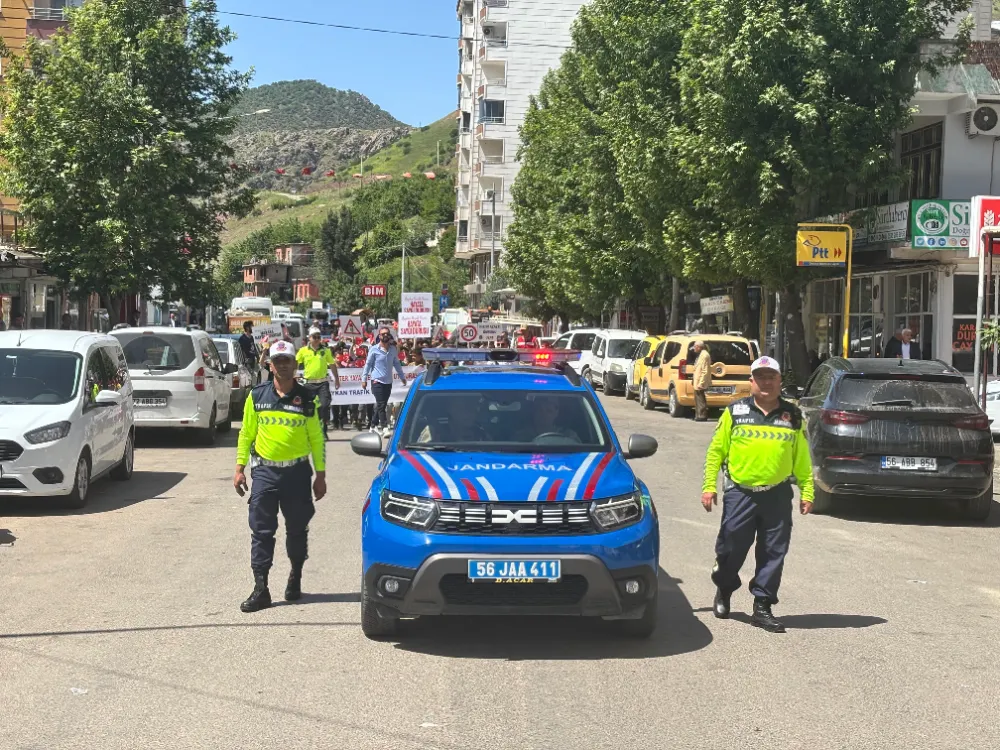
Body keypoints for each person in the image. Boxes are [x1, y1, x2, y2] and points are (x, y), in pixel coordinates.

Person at [701, 356, 814, 634]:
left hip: (777, 494)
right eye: (760, 377)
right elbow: (716, 451)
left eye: (771, 377)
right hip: (740, 493)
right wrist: (709, 486)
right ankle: (725, 587)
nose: (766, 382)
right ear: (751, 381)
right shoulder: (735, 412)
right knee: (730, 547)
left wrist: (807, 490)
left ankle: (762, 606)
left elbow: (802, 457)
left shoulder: (793, 416)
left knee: (774, 551)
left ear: (779, 380)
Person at [234, 340, 327, 613]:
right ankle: (261, 588)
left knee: (297, 529)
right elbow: (246, 433)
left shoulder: (308, 398)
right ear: (270, 365)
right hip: (265, 472)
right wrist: (239, 468)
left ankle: (295, 575)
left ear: (295, 364)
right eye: (278, 361)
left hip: (297, 473)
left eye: (287, 360)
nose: (283, 365)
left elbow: (316, 438)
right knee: (261, 531)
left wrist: (320, 475)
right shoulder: (257, 396)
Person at [361, 327, 408, 437]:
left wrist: (402, 377)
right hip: (377, 381)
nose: (385, 335)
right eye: (383, 334)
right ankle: (385, 427)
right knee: (382, 405)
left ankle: (373, 426)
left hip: (388, 382)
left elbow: (396, 363)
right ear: (379, 336)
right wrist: (364, 379)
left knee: (381, 405)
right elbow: (368, 365)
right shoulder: (374, 349)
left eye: (387, 333)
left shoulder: (393, 349)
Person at [297, 326, 340, 439]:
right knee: (308, 408)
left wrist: (337, 379)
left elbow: (332, 365)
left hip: (322, 383)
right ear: (309, 338)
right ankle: (309, 431)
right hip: (309, 384)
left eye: (318, 337)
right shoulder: (303, 351)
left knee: (324, 406)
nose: (316, 339)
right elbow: (295, 363)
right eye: (314, 337)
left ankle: (323, 430)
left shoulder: (325, 350)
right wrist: (292, 376)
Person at [516, 396, 580, 443]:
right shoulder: (522, 436)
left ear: (556, 414)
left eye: (549, 411)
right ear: (534, 411)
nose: (544, 414)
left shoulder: (568, 435)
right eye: (540, 410)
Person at [692, 340, 712, 422]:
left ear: (698, 347)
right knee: (698, 398)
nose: (694, 348)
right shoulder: (701, 354)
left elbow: (705, 370)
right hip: (697, 380)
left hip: (700, 381)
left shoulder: (704, 355)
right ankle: (698, 415)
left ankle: (702, 415)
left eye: (695, 346)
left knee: (700, 399)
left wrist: (701, 383)